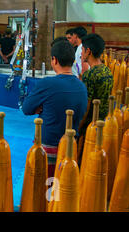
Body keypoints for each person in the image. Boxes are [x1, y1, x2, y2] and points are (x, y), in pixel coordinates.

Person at [22, 38, 88, 178]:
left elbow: (26, 108)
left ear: (54, 60)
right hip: (71, 150)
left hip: (48, 148)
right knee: (62, 191)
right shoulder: (82, 87)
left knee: (43, 190)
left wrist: (40, 107)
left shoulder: (47, 84)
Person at [77, 33, 113, 165]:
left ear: (88, 51)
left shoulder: (90, 75)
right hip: (104, 123)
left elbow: (86, 106)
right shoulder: (107, 71)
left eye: (82, 50)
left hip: (90, 126)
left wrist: (78, 129)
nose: (81, 53)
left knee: (84, 162)